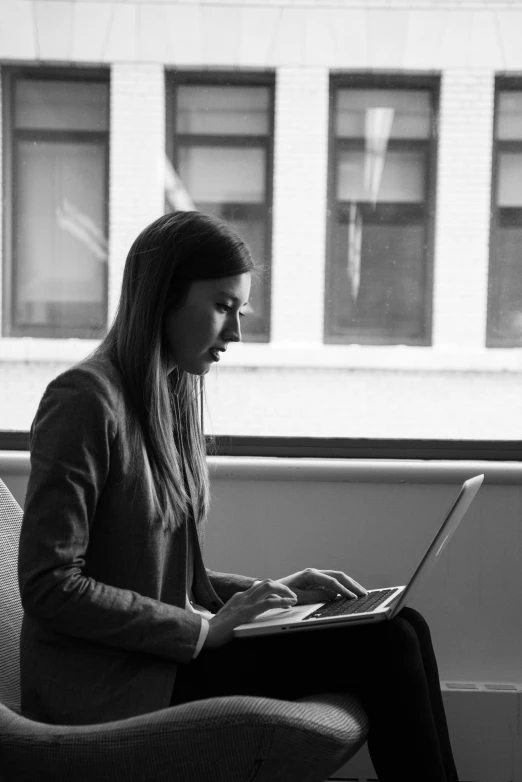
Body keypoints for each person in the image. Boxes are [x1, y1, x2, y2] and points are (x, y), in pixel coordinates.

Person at [18, 211, 459, 782]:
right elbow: (49, 584)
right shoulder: (83, 400)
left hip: (159, 658)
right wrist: (204, 630)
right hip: (110, 684)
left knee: (405, 626)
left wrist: (266, 594)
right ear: (163, 297)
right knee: (386, 646)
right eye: (223, 306)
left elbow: (158, 576)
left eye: (240, 311)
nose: (236, 334)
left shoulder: (167, 395)